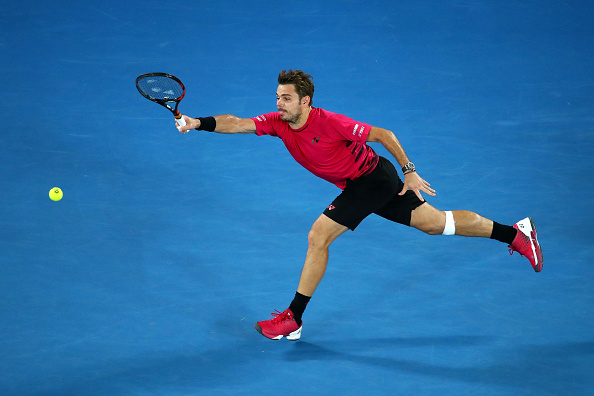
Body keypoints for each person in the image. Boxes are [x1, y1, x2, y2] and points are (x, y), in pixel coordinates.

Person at [176, 69, 543, 341]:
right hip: (363, 183)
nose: (278, 104)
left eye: (286, 98)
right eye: (277, 97)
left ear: (305, 101)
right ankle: (515, 233)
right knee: (434, 224)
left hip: (374, 180)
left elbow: (383, 135)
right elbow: (236, 123)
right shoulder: (278, 123)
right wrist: (196, 122)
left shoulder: (330, 122)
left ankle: (293, 318)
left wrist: (409, 172)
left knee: (318, 236)